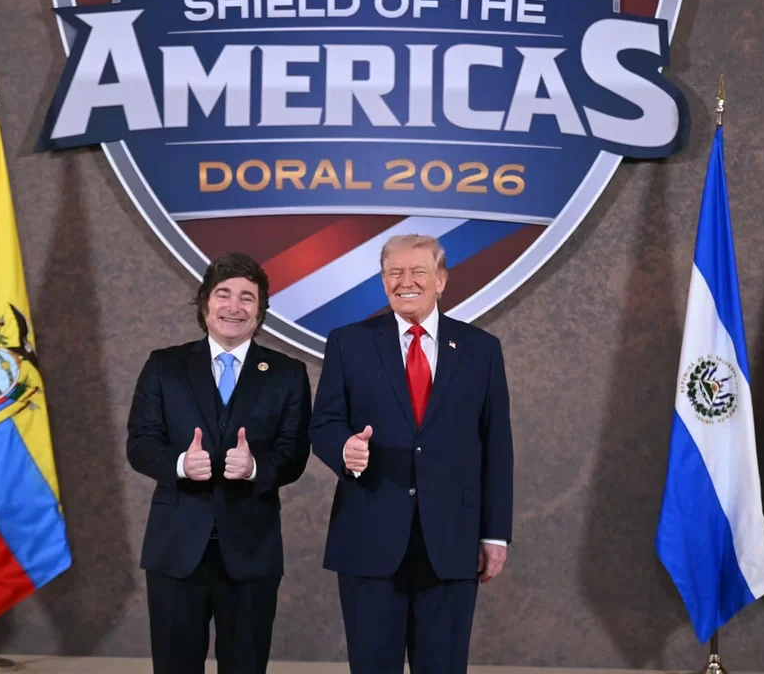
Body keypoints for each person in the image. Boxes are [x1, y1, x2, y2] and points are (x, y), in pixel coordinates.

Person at [309, 234, 514, 674]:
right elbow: (324, 423)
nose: (406, 282)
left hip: (453, 540)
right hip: (369, 534)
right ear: (383, 282)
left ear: (441, 280)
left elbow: (497, 445)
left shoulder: (481, 349)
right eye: (394, 273)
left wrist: (495, 534)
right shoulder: (348, 343)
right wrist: (345, 449)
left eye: (418, 271)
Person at [126, 252, 312, 674]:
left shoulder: (287, 373)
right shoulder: (164, 366)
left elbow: (294, 453)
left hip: (251, 550)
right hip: (176, 550)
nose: (234, 306)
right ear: (204, 303)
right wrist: (178, 463)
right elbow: (140, 443)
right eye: (223, 294)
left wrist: (255, 468)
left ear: (260, 310)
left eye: (247, 297)